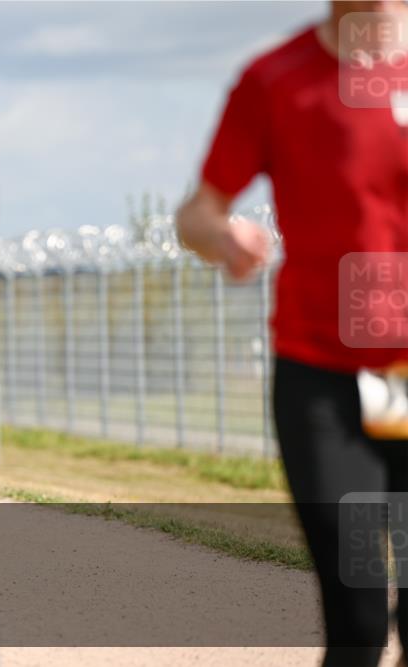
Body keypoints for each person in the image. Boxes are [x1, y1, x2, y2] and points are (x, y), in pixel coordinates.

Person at [176, 3, 408, 666]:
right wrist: (223, 237)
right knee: (358, 611)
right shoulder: (278, 79)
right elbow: (197, 211)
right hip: (323, 376)